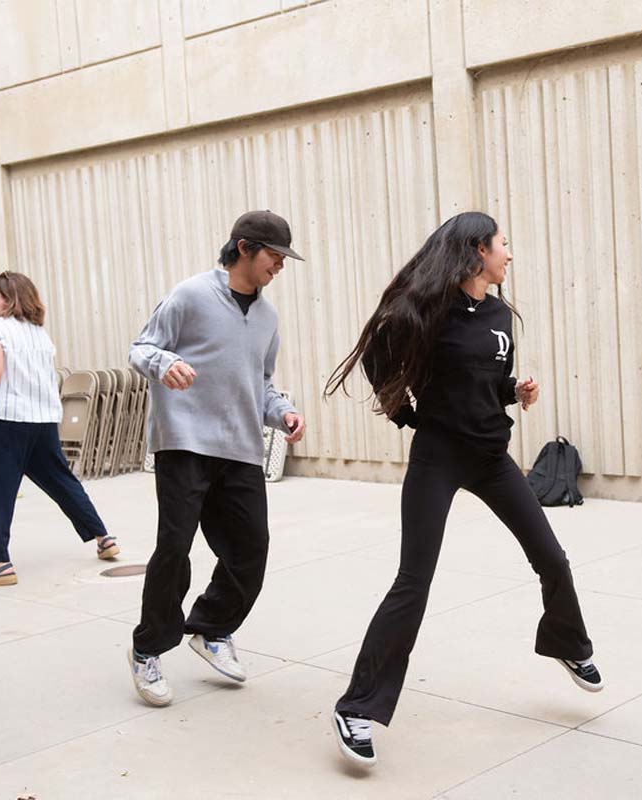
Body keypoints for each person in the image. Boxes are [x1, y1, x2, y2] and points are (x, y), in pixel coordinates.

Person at [323, 211, 600, 768]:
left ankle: (567, 645)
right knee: (413, 582)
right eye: (503, 244)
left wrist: (514, 388)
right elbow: (378, 361)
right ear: (477, 250)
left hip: (492, 458)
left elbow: (488, 379)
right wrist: (409, 418)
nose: (509, 254)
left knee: (553, 559)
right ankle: (357, 707)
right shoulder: (427, 310)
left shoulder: (500, 314)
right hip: (439, 458)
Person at [126, 210, 306, 707]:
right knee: (175, 550)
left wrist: (284, 413)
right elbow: (141, 348)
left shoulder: (268, 318)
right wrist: (166, 363)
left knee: (251, 550)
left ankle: (211, 629)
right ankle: (148, 650)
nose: (280, 267)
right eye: (275, 256)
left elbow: (262, 384)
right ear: (245, 248)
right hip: (184, 442)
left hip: (242, 448)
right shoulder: (190, 295)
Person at [0, 271, 119, 588]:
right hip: (42, 421)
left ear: (9, 297)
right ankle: (103, 537)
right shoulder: (40, 335)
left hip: (4, 422)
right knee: (62, 482)